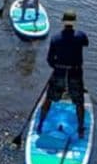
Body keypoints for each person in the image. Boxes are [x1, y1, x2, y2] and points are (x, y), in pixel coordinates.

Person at [38, 10, 89, 138]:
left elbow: (50, 59)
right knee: (79, 102)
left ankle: (40, 124)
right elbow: (86, 43)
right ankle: (81, 129)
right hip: (75, 74)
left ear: (63, 22)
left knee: (49, 99)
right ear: (74, 22)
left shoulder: (55, 38)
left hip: (59, 73)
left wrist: (57, 67)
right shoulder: (81, 36)